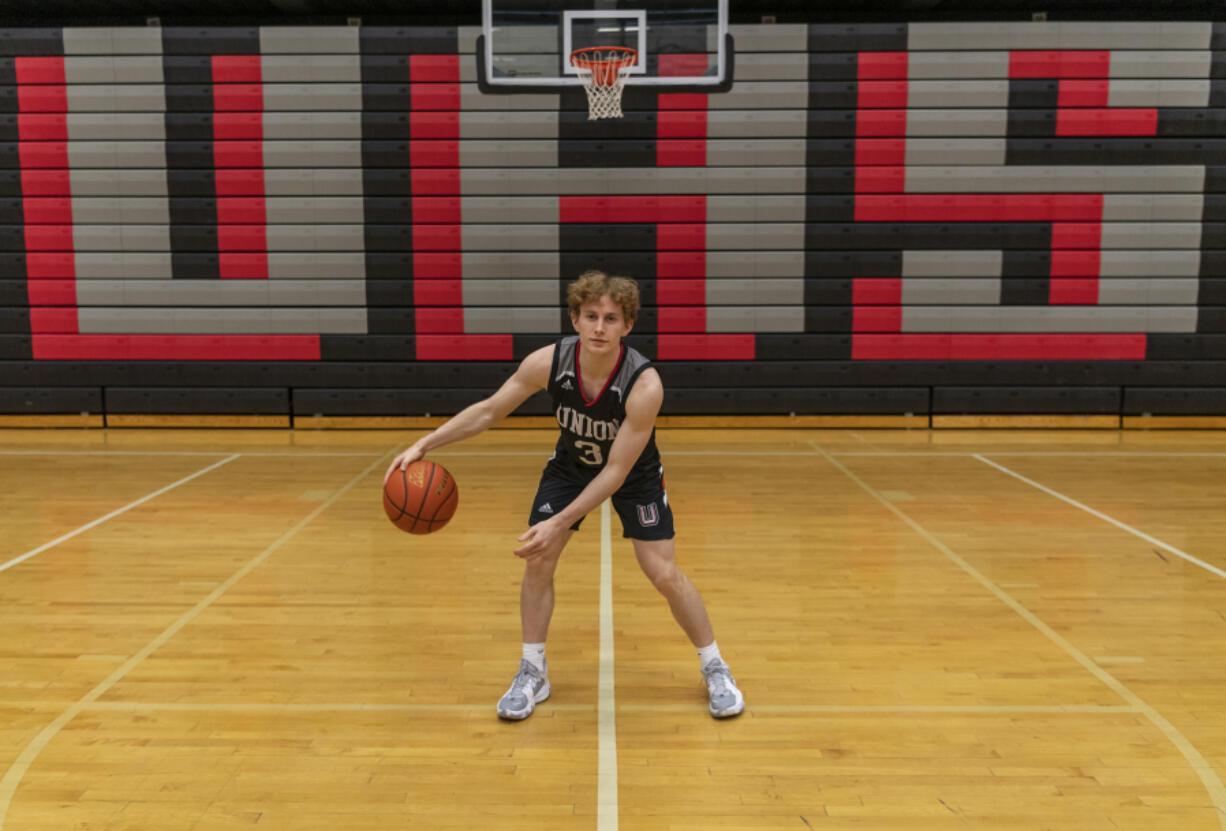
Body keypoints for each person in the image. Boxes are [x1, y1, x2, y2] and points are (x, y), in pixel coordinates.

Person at [384, 270, 745, 720]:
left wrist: (559, 520)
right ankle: (532, 670)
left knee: (663, 573)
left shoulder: (644, 385)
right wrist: (425, 443)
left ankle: (715, 665)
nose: (599, 327)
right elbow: (489, 411)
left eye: (611, 319)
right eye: (590, 316)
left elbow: (616, 471)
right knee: (539, 558)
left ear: (627, 327)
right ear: (574, 319)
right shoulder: (548, 362)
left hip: (633, 476)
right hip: (572, 465)